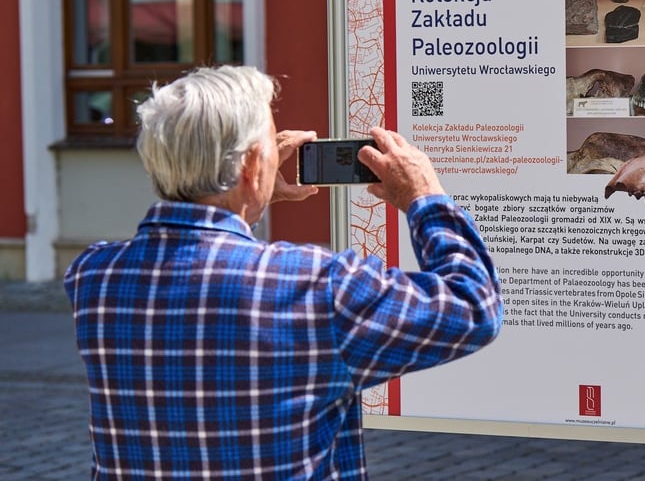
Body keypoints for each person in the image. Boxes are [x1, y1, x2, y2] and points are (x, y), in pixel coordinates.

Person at [63, 66, 503, 479]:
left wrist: (248, 198)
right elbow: (473, 306)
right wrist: (425, 198)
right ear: (254, 167)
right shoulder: (316, 286)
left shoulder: (93, 277)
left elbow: (203, 256)